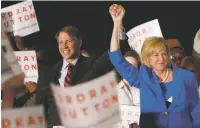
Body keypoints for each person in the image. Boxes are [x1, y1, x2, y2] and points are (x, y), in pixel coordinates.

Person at [108, 4, 200, 128]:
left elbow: (196, 112)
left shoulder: (186, 77)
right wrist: (117, 23)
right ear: (147, 58)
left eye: (164, 54)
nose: (161, 59)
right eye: (155, 55)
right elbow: (115, 57)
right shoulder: (143, 77)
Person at [35, 25, 129, 127]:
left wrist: (118, 23)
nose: (64, 46)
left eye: (69, 41)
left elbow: (113, 55)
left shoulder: (91, 65)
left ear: (80, 43)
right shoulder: (47, 73)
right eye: (61, 42)